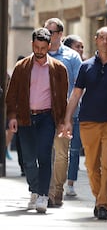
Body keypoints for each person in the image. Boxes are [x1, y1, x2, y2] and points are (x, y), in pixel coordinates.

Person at [60, 26, 107, 220]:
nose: (105, 42)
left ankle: (102, 204)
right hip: (88, 121)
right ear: (96, 39)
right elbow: (76, 94)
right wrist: (67, 119)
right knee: (92, 166)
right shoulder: (86, 66)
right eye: (101, 38)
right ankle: (99, 197)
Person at [6, 28, 68, 213]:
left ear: (49, 46)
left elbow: (62, 98)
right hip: (25, 117)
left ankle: (42, 195)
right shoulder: (21, 67)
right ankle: (34, 190)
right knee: (29, 160)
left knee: (44, 156)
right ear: (32, 45)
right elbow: (12, 95)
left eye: (43, 47)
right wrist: (12, 117)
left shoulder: (58, 69)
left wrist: (63, 122)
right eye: (36, 47)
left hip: (46, 117)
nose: (39, 50)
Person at [43, 18, 82, 205]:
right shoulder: (38, 53)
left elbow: (78, 88)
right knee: (42, 153)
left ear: (60, 34)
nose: (48, 35)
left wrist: (69, 115)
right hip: (41, 112)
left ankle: (56, 192)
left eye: (51, 32)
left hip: (64, 113)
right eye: (45, 31)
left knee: (60, 154)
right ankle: (44, 190)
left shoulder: (72, 57)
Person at [61, 34, 85, 197]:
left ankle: (70, 183)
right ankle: (57, 181)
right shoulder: (63, 60)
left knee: (75, 150)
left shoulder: (83, 64)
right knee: (59, 151)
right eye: (78, 46)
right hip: (59, 112)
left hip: (77, 112)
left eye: (82, 47)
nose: (81, 50)